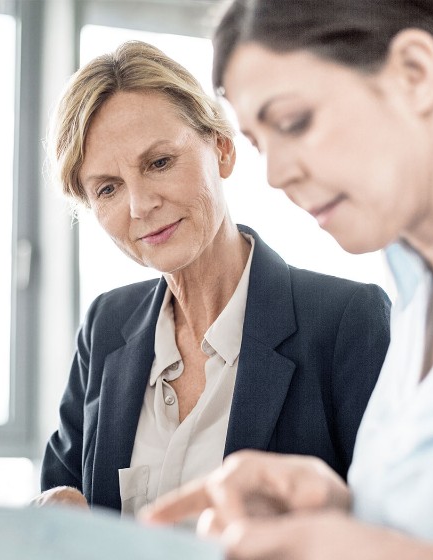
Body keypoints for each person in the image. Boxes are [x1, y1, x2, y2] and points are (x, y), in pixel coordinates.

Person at [139, 1, 433, 558]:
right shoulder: (423, 300)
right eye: (259, 144)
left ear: (414, 72)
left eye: (294, 122)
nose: (276, 174)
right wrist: (346, 511)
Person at [34, 41, 392, 517]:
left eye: (159, 163)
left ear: (222, 149)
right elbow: (62, 504)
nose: (140, 206)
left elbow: (396, 526)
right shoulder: (104, 325)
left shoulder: (348, 321)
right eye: (108, 188)